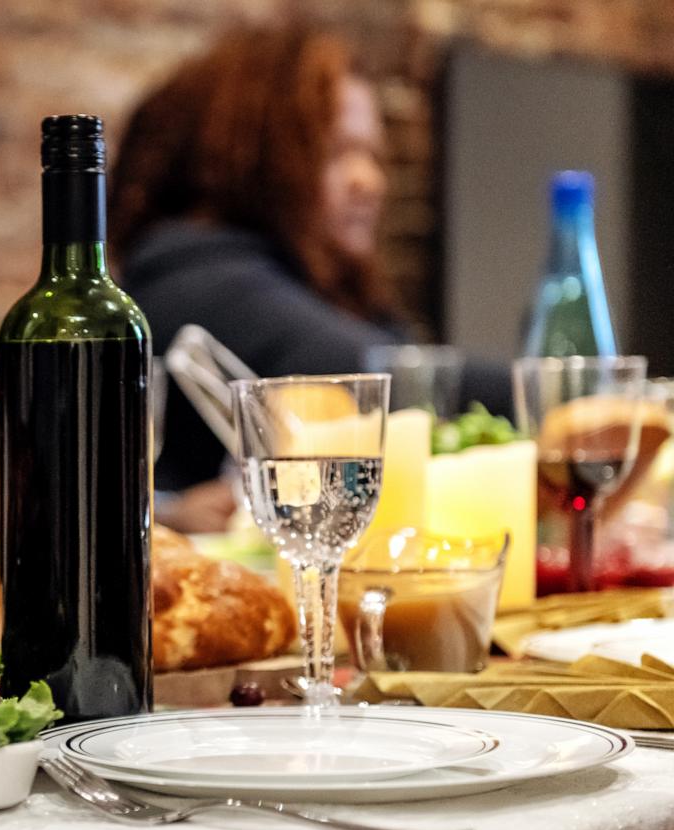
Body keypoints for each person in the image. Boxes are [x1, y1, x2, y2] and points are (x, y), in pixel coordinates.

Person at [110, 25, 511, 510]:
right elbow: (383, 385)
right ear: (255, 155)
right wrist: (570, 392)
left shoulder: (319, 279)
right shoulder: (199, 276)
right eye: (338, 152)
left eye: (373, 155)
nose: (371, 181)